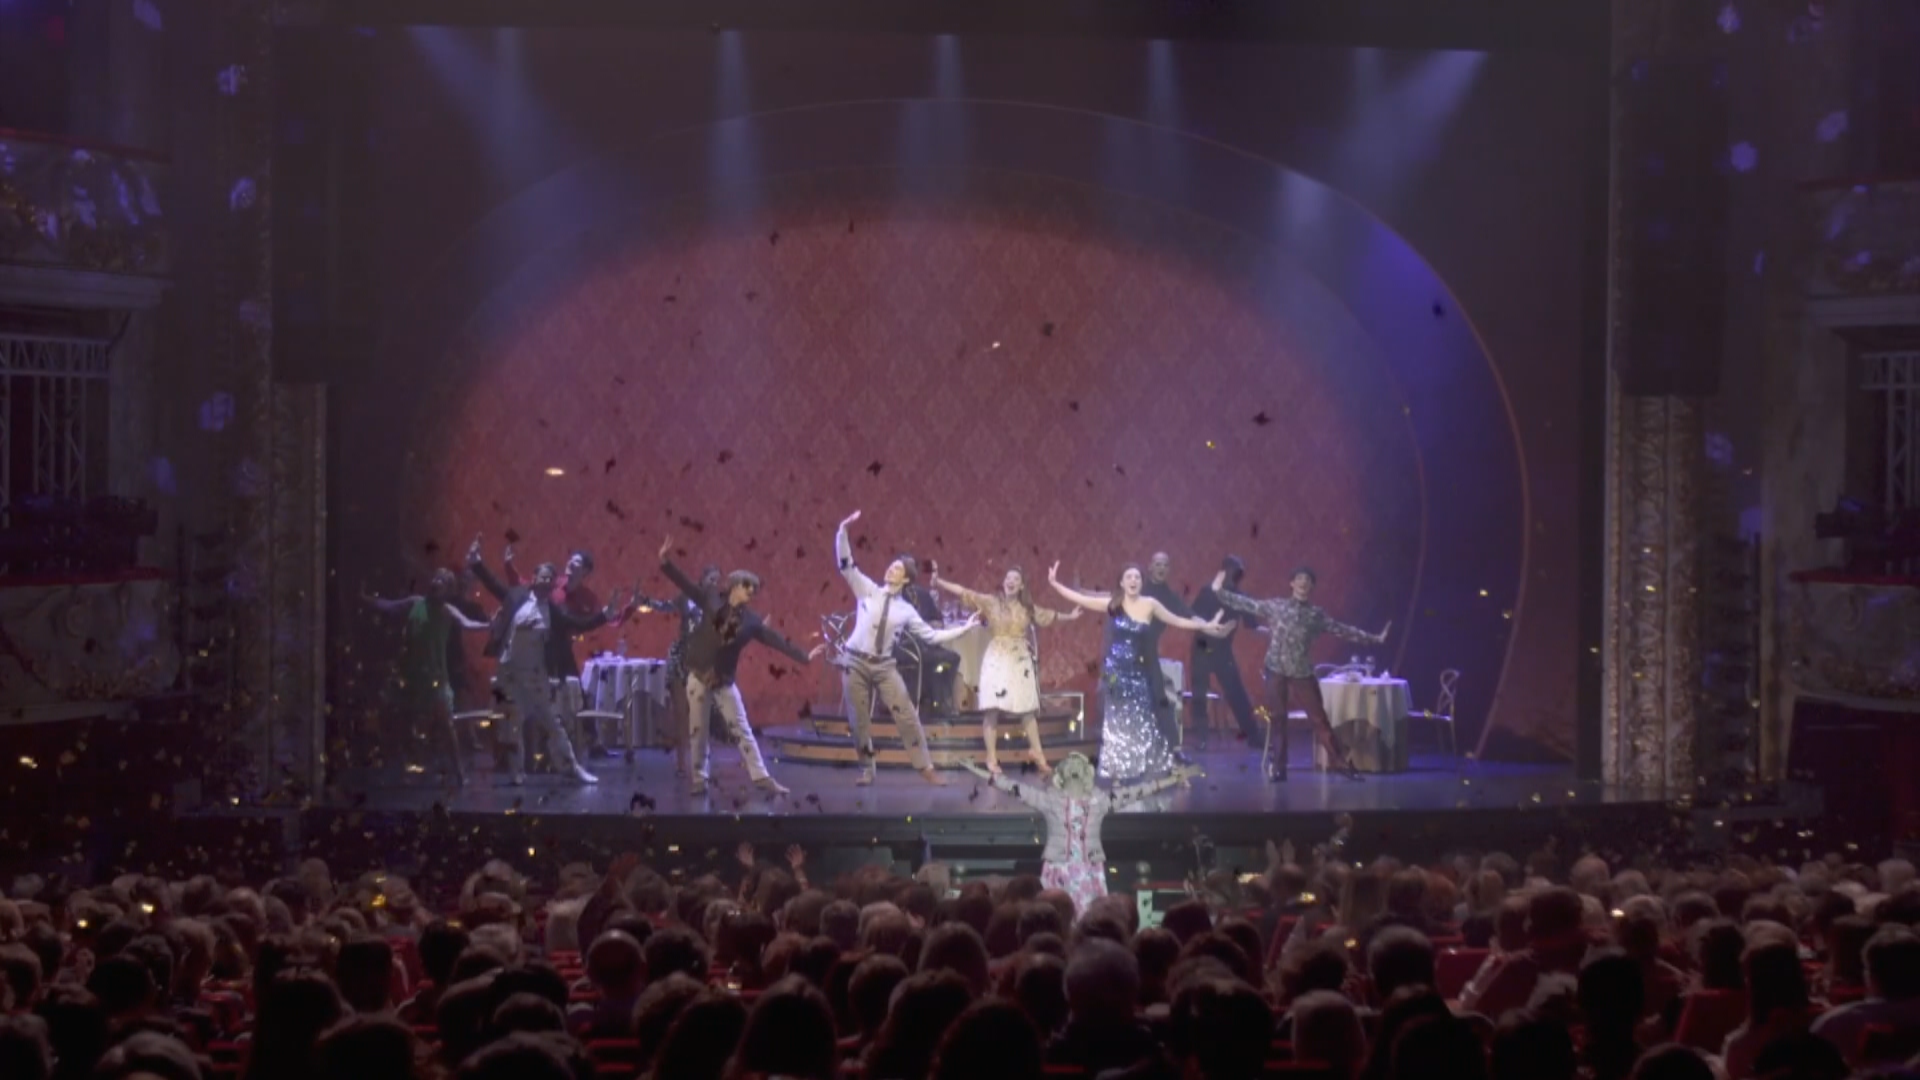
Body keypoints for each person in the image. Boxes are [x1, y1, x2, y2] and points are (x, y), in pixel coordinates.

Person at [658, 536, 826, 796]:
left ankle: (762, 778)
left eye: (754, 589)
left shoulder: (751, 620)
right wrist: (665, 563)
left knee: (742, 729)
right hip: (699, 674)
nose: (751, 592)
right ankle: (699, 779)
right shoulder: (711, 598)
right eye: (748, 586)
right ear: (735, 586)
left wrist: (804, 657)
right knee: (698, 730)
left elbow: (775, 640)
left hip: (723, 680)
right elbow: (687, 586)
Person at [832, 511, 979, 787]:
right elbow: (846, 565)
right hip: (855, 662)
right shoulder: (867, 590)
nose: (891, 570)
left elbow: (932, 636)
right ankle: (867, 769)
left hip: (884, 665)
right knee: (858, 721)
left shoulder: (906, 610)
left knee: (908, 715)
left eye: (897, 569)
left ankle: (926, 767)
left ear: (906, 579)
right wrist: (843, 532)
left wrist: (965, 628)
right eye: (891, 566)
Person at [1046, 562, 1230, 782]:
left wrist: (1207, 626)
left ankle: (1141, 764)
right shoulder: (1114, 603)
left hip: (1137, 670)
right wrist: (1055, 584)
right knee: (1117, 720)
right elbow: (1081, 598)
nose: (1133, 581)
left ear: (1142, 582)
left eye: (1137, 577)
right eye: (1129, 577)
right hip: (1115, 672)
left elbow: (1178, 620)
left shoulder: (1150, 604)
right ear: (1122, 582)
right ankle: (1118, 766)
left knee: (1141, 718)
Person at [958, 753, 1199, 916]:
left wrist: (1171, 779)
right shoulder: (1050, 800)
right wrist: (978, 771)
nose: (1074, 770)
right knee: (1056, 915)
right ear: (1063, 775)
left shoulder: (1099, 801)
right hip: (1059, 870)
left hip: (1088, 870)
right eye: (1070, 768)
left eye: (1077, 768)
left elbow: (1138, 791)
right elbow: (1012, 787)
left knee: (1088, 917)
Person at [1210, 565, 1389, 781]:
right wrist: (1220, 592)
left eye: (1307, 580)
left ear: (1311, 586)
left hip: (1301, 671)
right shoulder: (1277, 606)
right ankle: (1279, 767)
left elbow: (1343, 630)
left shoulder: (1315, 615)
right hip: (1275, 668)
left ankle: (1341, 763)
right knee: (1278, 719)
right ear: (1292, 583)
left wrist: (1374, 638)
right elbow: (1248, 604)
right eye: (1299, 579)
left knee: (1319, 720)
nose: (1303, 583)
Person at [468, 539, 621, 785]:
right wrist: (477, 564)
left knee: (553, 722)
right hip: (509, 672)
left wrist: (604, 615)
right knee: (512, 723)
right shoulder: (517, 596)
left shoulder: (552, 609)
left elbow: (577, 624)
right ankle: (517, 771)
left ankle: (572, 767)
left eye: (551, 578)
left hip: (535, 674)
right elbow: (495, 586)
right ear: (534, 578)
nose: (548, 581)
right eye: (544, 576)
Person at [929, 564, 1080, 776]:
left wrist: (1070, 616)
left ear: (1021, 586)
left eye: (1016, 579)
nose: (1011, 581)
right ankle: (991, 757)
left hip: (1019, 658)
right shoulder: (992, 602)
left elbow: (1048, 615)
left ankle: (1038, 754)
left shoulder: (1027, 608)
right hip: (997, 657)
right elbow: (965, 592)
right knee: (992, 709)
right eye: (1008, 578)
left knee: (1027, 710)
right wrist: (939, 582)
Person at [360, 568, 494, 785]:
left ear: (448, 589)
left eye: (443, 580)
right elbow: (390, 606)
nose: (437, 582)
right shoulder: (415, 602)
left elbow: (467, 624)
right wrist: (367, 600)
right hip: (409, 673)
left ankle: (459, 772)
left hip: (435, 676)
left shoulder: (447, 610)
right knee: (391, 715)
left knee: (446, 723)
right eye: (436, 578)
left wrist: (490, 625)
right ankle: (392, 764)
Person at [499, 546, 628, 757]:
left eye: (576, 563)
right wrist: (508, 566)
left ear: (585, 571)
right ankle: (539, 744)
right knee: (541, 693)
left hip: (562, 649)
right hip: (539, 649)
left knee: (576, 692)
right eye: (570, 560)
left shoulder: (587, 597)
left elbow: (599, 620)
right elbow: (522, 585)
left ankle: (590, 740)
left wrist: (622, 610)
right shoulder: (553, 586)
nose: (570, 564)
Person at [1187, 556, 1263, 746]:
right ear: (1224, 571)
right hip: (1202, 647)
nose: (1233, 575)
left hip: (1223, 650)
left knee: (1236, 692)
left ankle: (1254, 736)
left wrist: (1275, 632)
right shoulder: (1208, 591)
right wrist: (1210, 628)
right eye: (1231, 570)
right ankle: (1202, 738)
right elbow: (1193, 617)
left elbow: (1252, 626)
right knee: (1199, 694)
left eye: (1237, 572)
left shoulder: (1241, 598)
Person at [663, 563, 724, 778]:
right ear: (702, 578)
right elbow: (665, 606)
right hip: (681, 656)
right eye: (711, 579)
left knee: (701, 712)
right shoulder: (686, 597)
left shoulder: (717, 604)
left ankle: (701, 759)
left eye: (717, 581)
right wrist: (643, 602)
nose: (713, 584)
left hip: (702, 658)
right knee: (681, 712)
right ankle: (681, 760)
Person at [1140, 552, 1194, 758]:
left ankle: (1174, 748)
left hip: (1149, 652)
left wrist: (1209, 625)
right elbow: (1111, 597)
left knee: (1160, 698)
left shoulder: (1170, 597)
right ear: (1150, 567)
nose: (1161, 568)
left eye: (1165, 565)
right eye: (1157, 564)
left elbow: (1188, 615)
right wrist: (1081, 591)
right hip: (1129, 651)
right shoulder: (1140, 589)